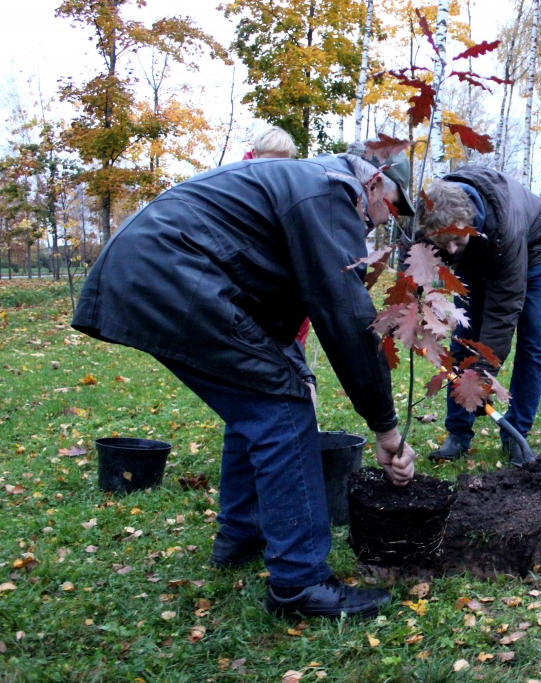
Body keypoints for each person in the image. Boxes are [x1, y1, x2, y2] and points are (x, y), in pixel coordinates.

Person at [72, 148, 417, 620]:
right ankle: (300, 583)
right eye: (393, 206)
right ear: (375, 183)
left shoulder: (313, 183)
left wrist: (295, 366)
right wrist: (387, 429)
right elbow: (347, 316)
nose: (386, 221)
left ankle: (241, 534)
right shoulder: (330, 193)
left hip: (161, 269)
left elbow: (276, 289)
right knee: (282, 408)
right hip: (171, 273)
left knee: (258, 395)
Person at [416, 167, 541, 466]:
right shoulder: (433, 216)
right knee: (463, 337)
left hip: (532, 248)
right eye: (445, 244)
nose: (451, 251)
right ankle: (458, 433)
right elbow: (418, 261)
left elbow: (504, 308)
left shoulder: (506, 228)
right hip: (480, 254)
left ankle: (515, 433)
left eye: (456, 240)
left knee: (531, 339)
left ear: (468, 221)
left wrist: (482, 373)